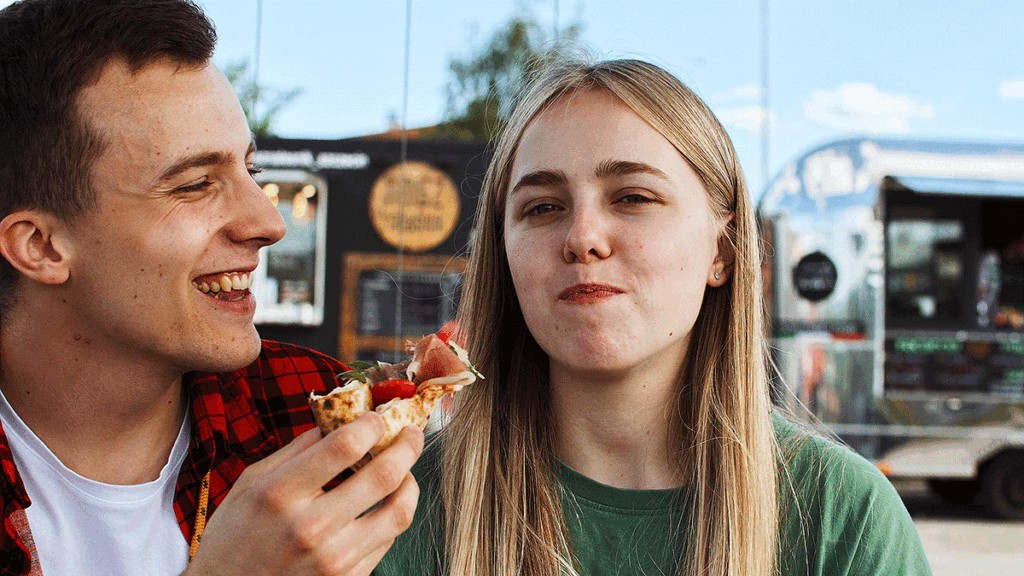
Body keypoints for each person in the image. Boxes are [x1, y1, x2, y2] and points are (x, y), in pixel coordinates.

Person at [375, 58, 934, 576]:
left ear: (723, 251)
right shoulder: (397, 511)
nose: (582, 238)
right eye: (542, 207)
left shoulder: (843, 519)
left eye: (633, 197)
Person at [0, 1, 421, 575]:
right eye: (197, 184)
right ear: (42, 246)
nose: (269, 224)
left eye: (251, 171)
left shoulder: (317, 416)